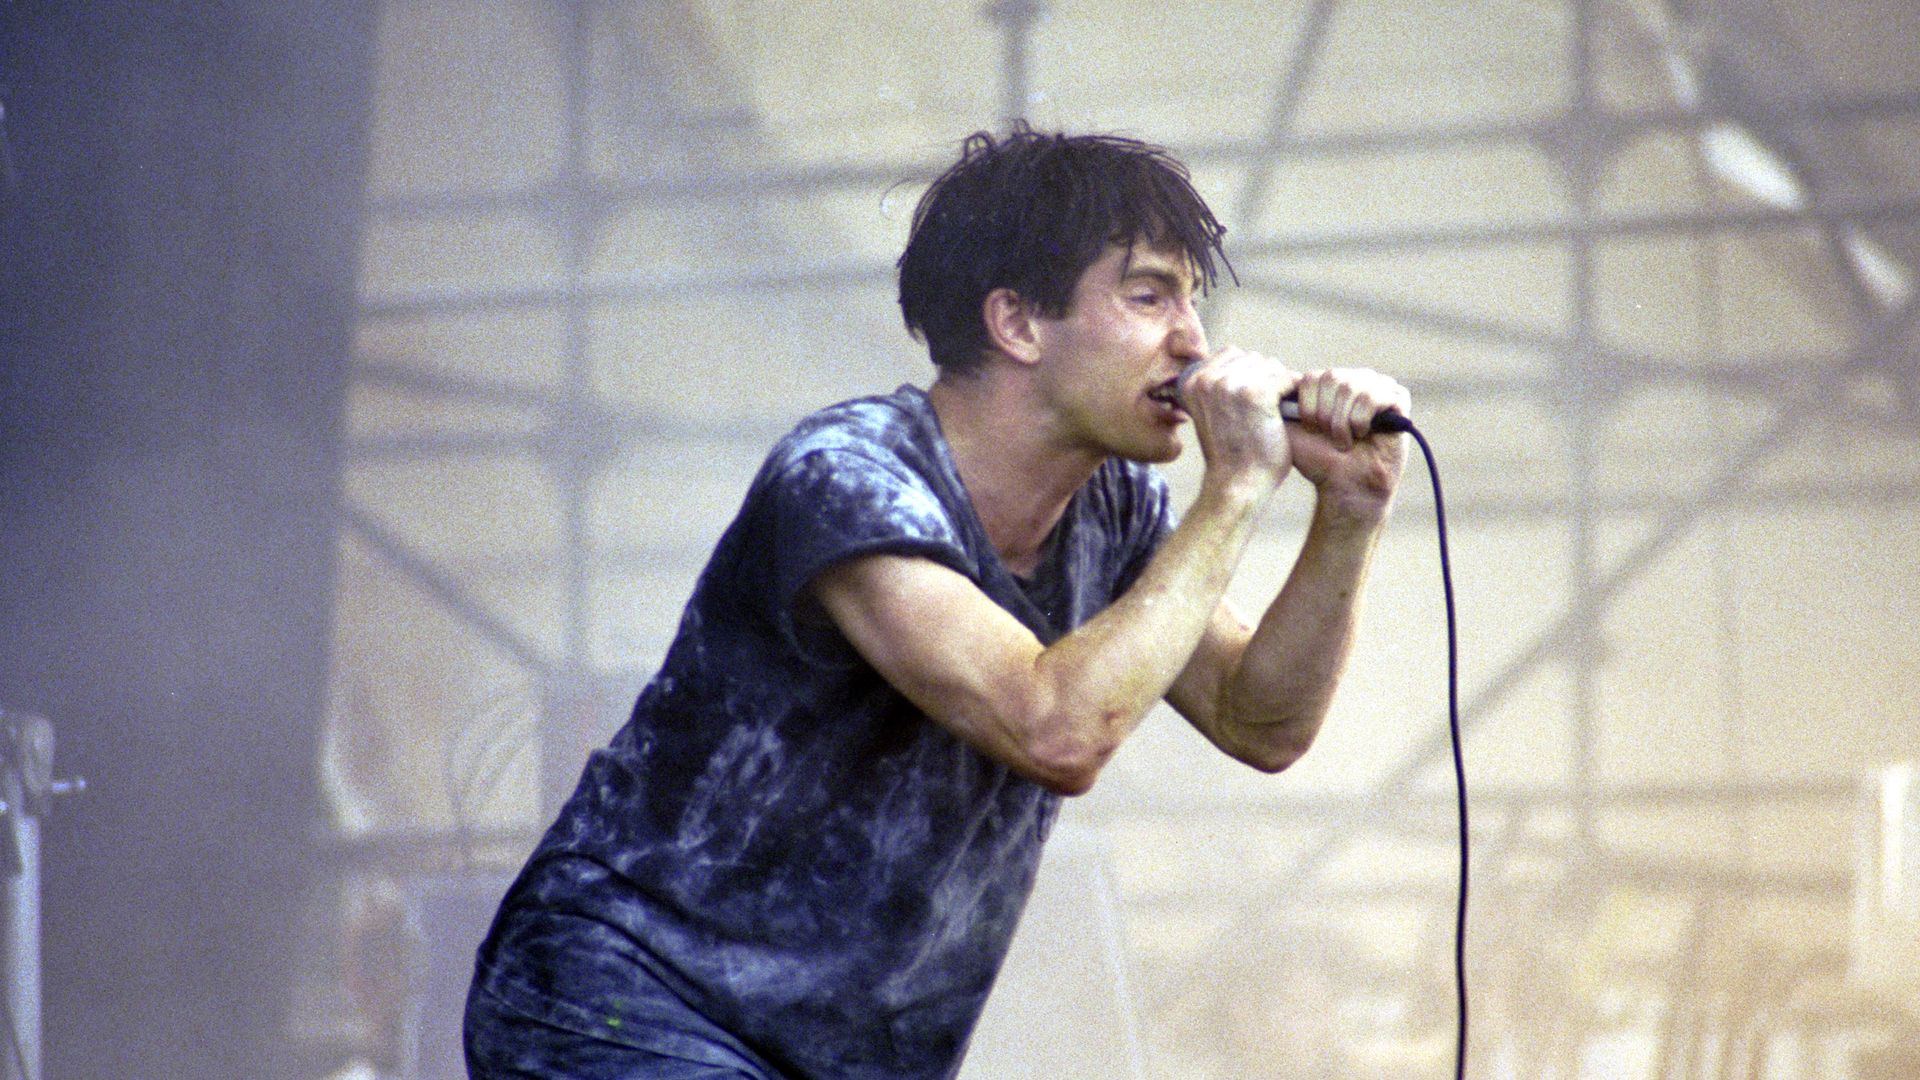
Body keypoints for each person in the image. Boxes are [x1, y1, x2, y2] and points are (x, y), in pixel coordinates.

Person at [463, 124, 1410, 1080]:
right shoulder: (846, 476)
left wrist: (1353, 511)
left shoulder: (1116, 508)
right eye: (1148, 294)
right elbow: (1055, 729)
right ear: (1018, 323)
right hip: (623, 1002)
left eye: (1192, 301)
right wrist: (1238, 488)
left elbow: (1263, 721)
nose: (1193, 341)